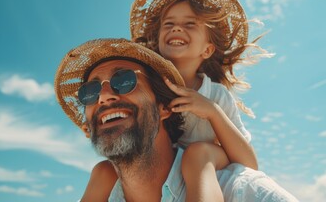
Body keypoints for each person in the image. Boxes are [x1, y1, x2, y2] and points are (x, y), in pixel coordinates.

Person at [83, 0, 276, 201]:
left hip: (207, 158)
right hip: (161, 166)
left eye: (189, 24)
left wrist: (213, 112)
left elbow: (248, 163)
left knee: (197, 155)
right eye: (169, 24)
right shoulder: (148, 89)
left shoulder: (214, 95)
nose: (176, 29)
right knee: (103, 169)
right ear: (157, 45)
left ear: (207, 50)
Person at [55, 38, 298, 201]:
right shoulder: (99, 187)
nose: (104, 96)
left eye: (124, 80)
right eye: (90, 92)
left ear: (164, 108)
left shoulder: (243, 191)